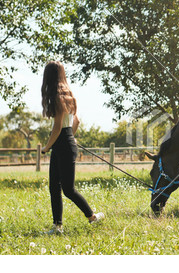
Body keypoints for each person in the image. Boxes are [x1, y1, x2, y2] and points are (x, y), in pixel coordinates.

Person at [41, 61, 104, 234]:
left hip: (62, 143)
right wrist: (72, 138)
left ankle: (92, 216)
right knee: (54, 187)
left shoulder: (56, 97)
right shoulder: (68, 95)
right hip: (66, 142)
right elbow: (76, 121)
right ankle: (57, 226)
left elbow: (57, 127)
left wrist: (46, 147)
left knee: (67, 189)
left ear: (49, 77)